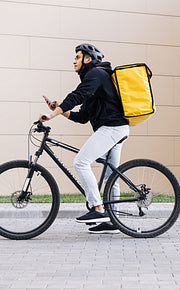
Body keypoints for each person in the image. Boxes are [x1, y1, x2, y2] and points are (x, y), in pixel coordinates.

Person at [39, 44, 129, 234]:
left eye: (78, 57)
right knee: (109, 175)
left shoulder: (96, 74)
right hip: (116, 128)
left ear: (88, 59)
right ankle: (113, 221)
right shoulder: (95, 80)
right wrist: (60, 110)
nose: (74, 60)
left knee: (81, 162)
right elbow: (82, 117)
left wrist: (51, 114)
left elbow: (77, 96)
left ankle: (98, 209)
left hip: (112, 128)